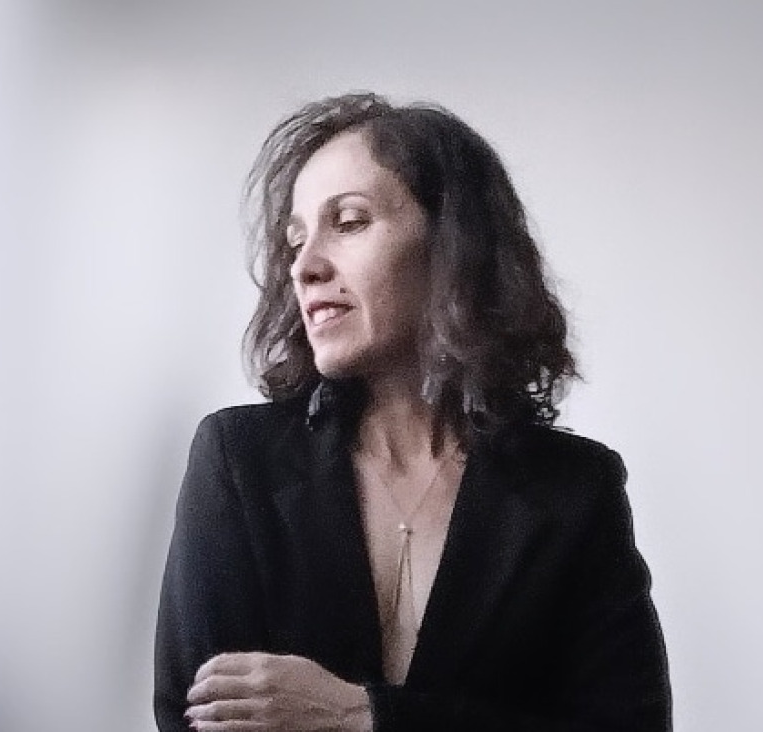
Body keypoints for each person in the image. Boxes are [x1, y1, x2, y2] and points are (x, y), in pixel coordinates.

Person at [154, 92, 671, 731]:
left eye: (348, 222)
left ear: (453, 243)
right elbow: (199, 720)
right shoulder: (238, 460)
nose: (305, 267)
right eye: (296, 240)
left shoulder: (576, 489)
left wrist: (365, 716)